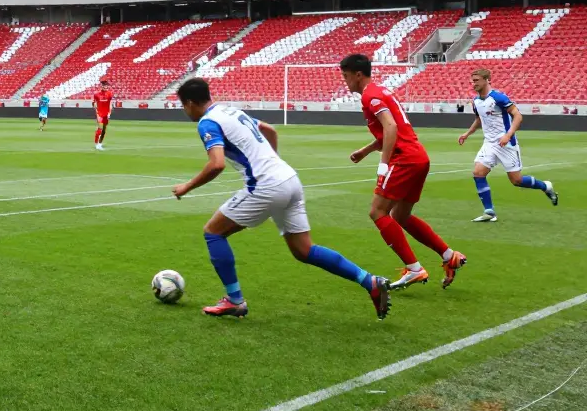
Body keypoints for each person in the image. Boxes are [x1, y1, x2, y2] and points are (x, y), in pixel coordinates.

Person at [172, 78, 390, 320]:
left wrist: (187, 187)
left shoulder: (207, 122)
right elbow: (269, 130)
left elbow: (217, 164)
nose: (185, 111)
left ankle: (235, 300)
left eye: (184, 106)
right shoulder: (229, 110)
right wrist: (272, 162)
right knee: (304, 250)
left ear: (191, 103)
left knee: (213, 232)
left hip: (266, 185)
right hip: (289, 178)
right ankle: (369, 281)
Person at [340, 54, 467, 289]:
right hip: (418, 156)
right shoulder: (381, 91)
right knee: (401, 216)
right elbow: (389, 131)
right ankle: (450, 256)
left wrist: (383, 164)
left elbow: (391, 127)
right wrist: (366, 150)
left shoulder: (371, 95)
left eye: (346, 77)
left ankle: (414, 268)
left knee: (378, 212)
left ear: (358, 75)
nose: (345, 82)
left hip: (404, 160)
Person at [458, 68, 557, 221]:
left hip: (506, 143)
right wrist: (467, 134)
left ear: (486, 80)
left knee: (516, 181)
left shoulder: (498, 97)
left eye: (476, 80)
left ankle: (546, 186)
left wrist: (508, 135)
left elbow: (518, 115)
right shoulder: (476, 101)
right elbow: (479, 120)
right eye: (473, 81)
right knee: (478, 173)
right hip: (489, 143)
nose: (474, 84)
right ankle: (489, 211)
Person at [93, 79, 113, 150]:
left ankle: (100, 143)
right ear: (101, 86)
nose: (106, 87)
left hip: (106, 114)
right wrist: (97, 112)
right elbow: (94, 104)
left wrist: (109, 113)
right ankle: (96, 144)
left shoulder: (109, 94)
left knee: (104, 130)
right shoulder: (96, 94)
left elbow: (110, 104)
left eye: (107, 86)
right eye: (104, 86)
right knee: (100, 129)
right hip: (100, 114)